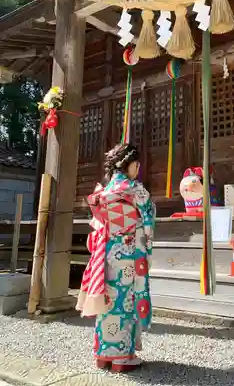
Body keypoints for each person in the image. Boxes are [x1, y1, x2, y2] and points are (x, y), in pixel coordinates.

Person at [76, 144, 155, 373]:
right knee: (125, 302)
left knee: (107, 300)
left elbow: (100, 223)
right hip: (128, 254)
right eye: (136, 165)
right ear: (128, 164)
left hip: (107, 251)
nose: (137, 169)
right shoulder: (135, 189)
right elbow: (147, 221)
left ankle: (103, 355)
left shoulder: (105, 189)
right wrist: (147, 246)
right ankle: (122, 357)